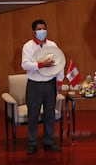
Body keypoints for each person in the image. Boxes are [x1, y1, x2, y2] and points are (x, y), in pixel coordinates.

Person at [21, 19, 64, 154]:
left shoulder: (52, 45)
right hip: (34, 85)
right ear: (34, 31)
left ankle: (49, 142)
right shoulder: (28, 46)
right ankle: (32, 143)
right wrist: (40, 65)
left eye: (44, 29)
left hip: (50, 84)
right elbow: (25, 64)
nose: (42, 32)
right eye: (39, 29)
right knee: (33, 114)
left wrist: (60, 81)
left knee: (49, 114)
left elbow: (59, 63)